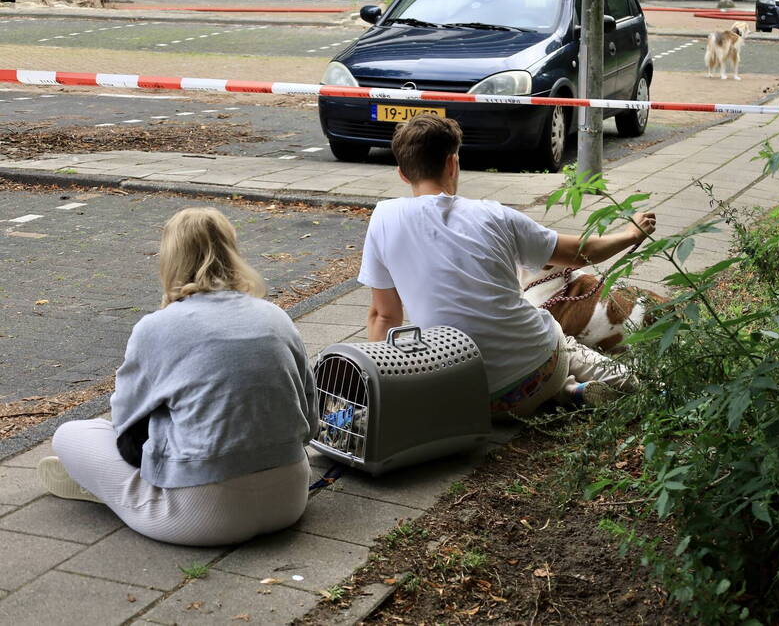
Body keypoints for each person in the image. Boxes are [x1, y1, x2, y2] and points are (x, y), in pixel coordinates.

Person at [37, 207, 319, 547]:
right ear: (233, 251)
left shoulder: (157, 327)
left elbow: (124, 426)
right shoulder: (277, 317)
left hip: (202, 517)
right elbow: (310, 419)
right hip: (289, 500)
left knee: (72, 433)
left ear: (169, 258)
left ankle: (116, 490)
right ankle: (118, 487)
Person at [358, 114, 655, 418]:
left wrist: (382, 392)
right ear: (452, 164)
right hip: (539, 372)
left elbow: (384, 315)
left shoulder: (383, 219)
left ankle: (568, 393)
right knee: (559, 340)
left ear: (403, 174)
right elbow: (582, 253)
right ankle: (627, 385)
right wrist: (632, 234)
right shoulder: (495, 216)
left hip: (466, 395)